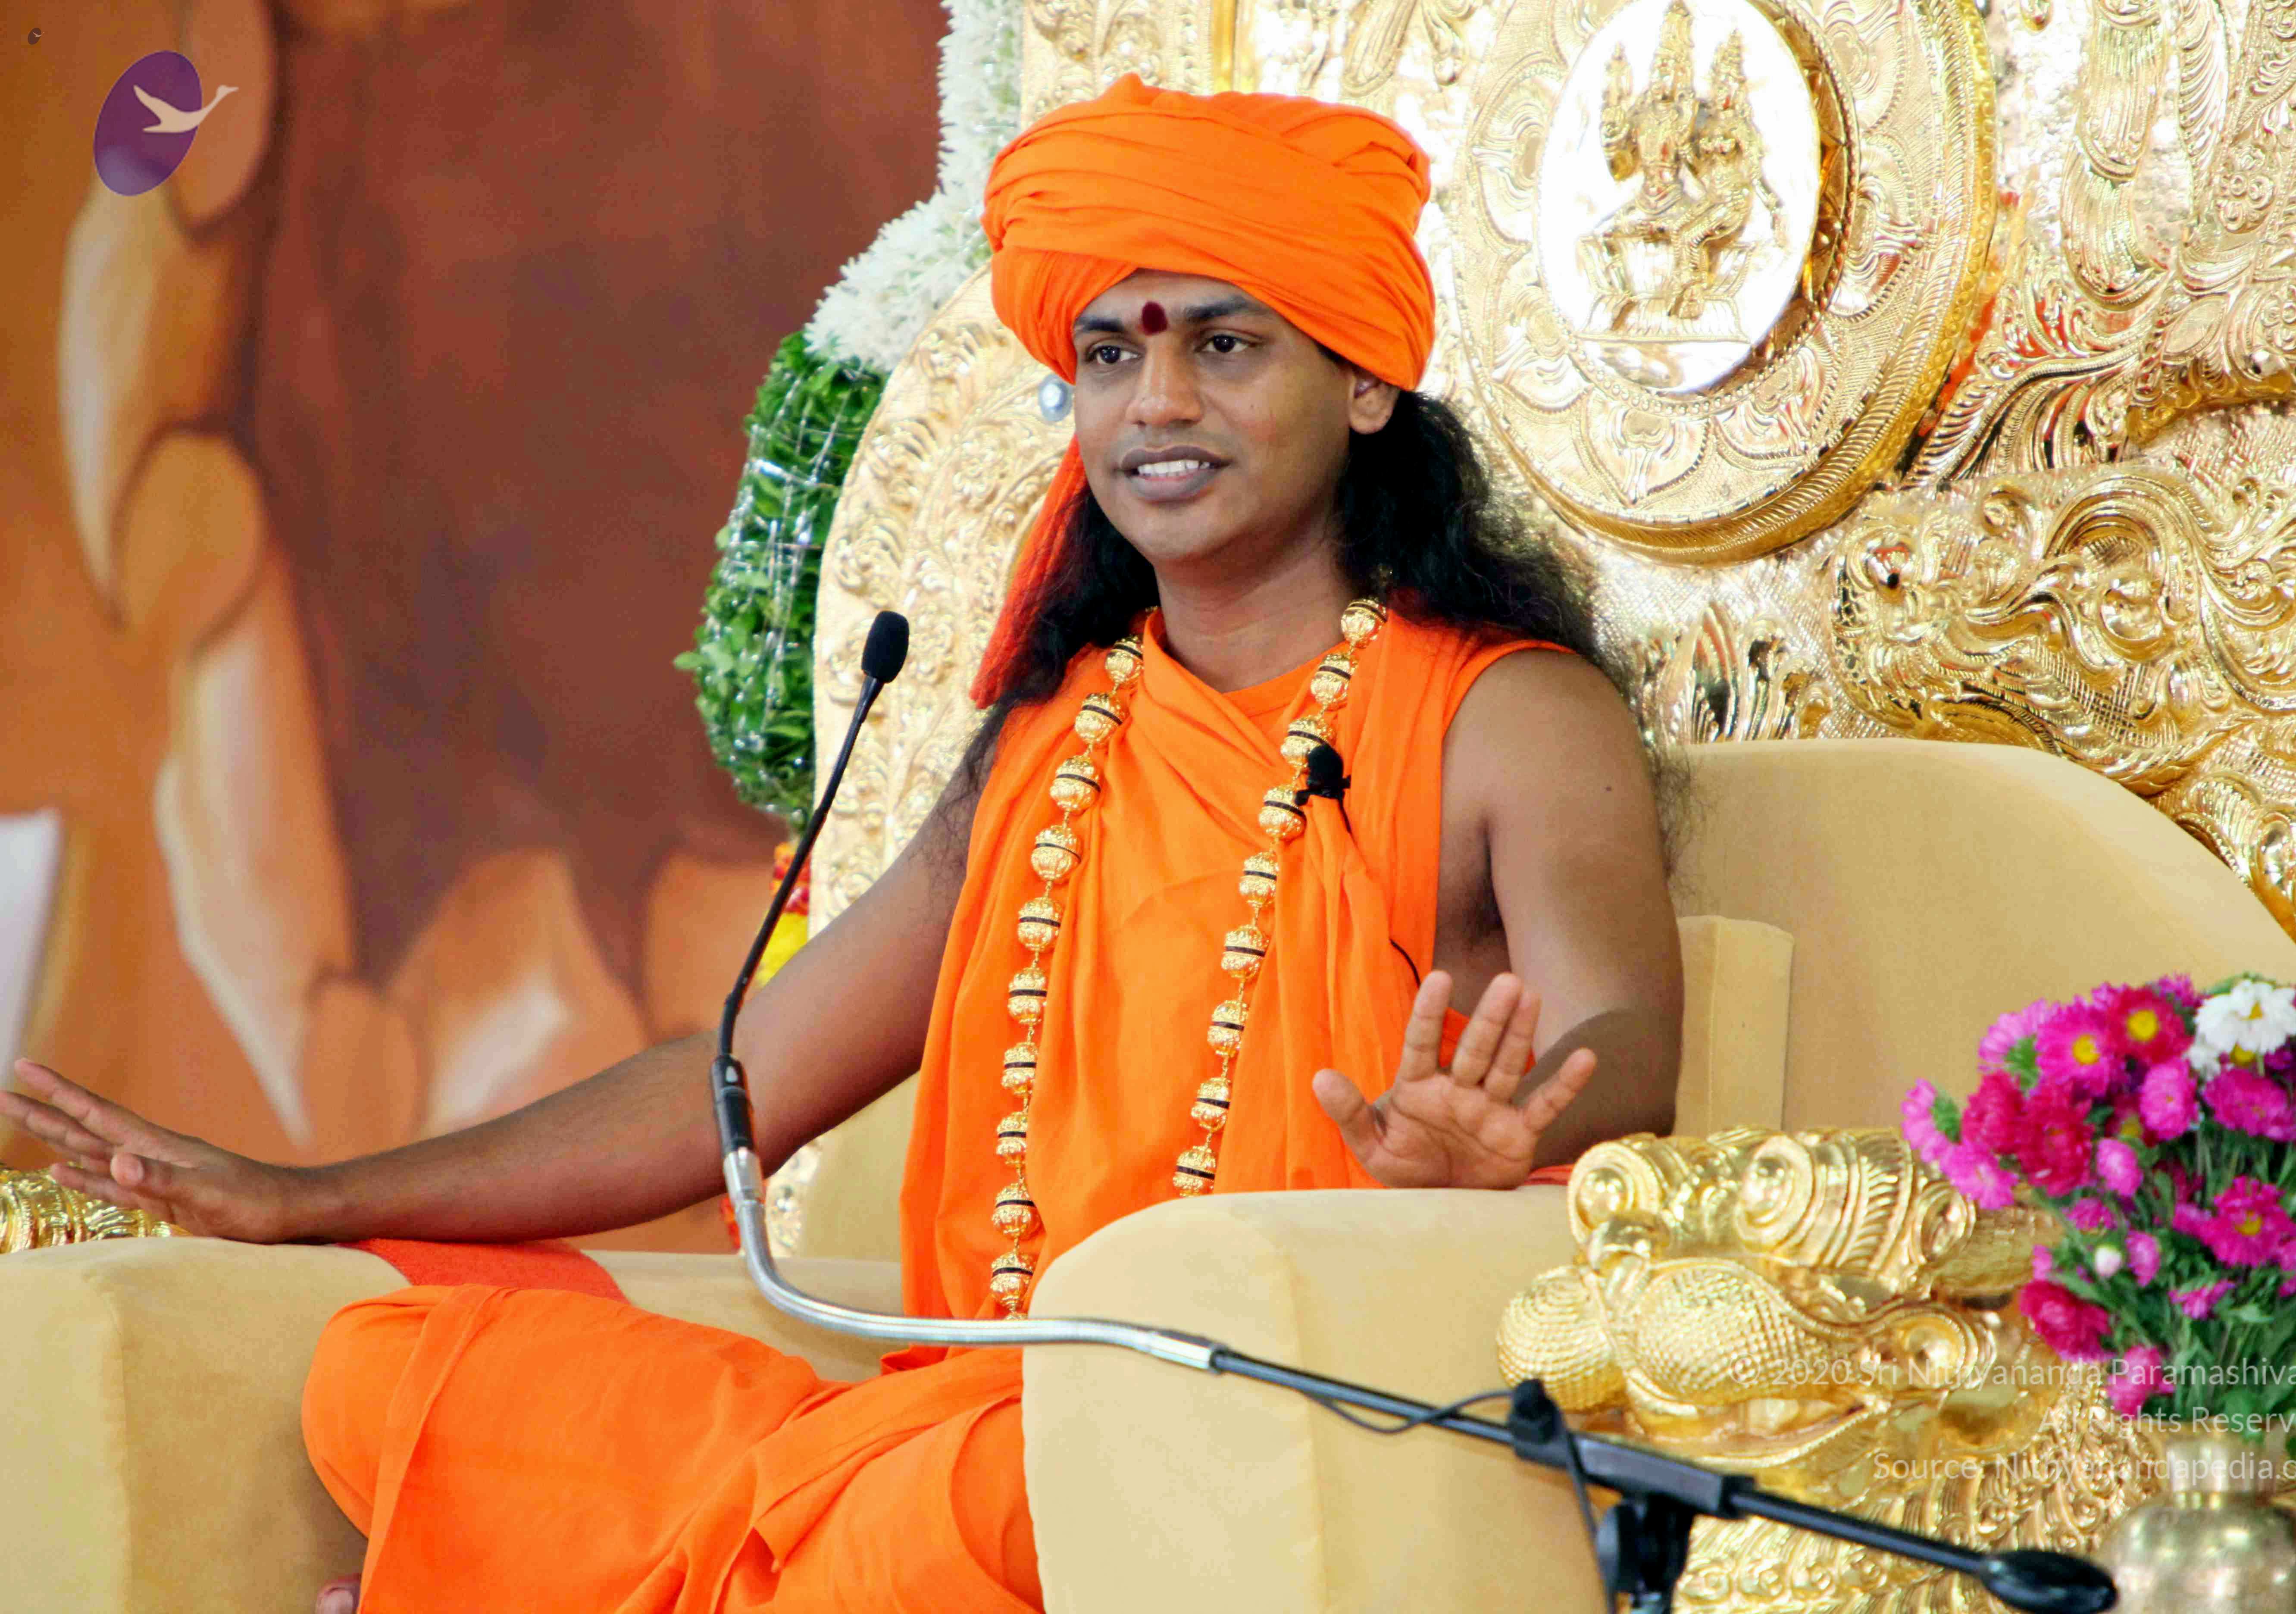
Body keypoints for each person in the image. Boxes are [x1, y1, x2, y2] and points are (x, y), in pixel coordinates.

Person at [0, 75, 1682, 1612]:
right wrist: (301, 1196)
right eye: (1111, 353)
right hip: (963, 1417)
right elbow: (731, 1092)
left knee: (967, 1509)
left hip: (1248, 1422)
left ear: (1367, 378)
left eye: (1226, 345)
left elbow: (1630, 1036)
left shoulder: (1505, 712)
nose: (1157, 402)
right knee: (393, 1372)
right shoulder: (1052, 739)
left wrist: (1488, 1143)